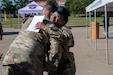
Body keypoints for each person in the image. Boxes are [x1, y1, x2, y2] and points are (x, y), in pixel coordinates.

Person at [2, 5, 66, 75]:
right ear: (52, 14)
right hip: (29, 62)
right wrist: (51, 67)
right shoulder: (50, 26)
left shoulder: (28, 20)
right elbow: (56, 47)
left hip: (10, 59)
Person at [36, 6, 76, 75]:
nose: (53, 18)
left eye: (57, 17)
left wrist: (45, 28)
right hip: (54, 68)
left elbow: (64, 38)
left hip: (65, 69)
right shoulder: (49, 28)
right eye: (53, 15)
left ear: (63, 21)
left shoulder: (65, 30)